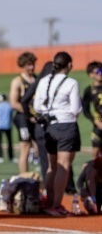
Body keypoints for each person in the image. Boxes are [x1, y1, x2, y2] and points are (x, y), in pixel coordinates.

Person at [33, 52, 82, 217]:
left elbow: (38, 106)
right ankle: (57, 204)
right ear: (68, 65)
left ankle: (49, 203)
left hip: (49, 127)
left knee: (52, 166)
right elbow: (76, 109)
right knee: (64, 166)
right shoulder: (71, 83)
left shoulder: (44, 81)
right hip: (66, 125)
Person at [10, 52, 38, 174]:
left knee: (40, 147)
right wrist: (29, 115)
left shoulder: (37, 79)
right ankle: (24, 177)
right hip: (23, 118)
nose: (31, 67)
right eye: (28, 65)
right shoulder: (18, 81)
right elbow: (14, 103)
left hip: (36, 118)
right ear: (22, 65)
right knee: (25, 147)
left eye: (32, 64)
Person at [81, 61, 102, 160]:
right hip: (99, 127)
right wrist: (95, 121)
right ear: (91, 74)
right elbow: (85, 110)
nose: (100, 73)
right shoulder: (89, 90)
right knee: (95, 158)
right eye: (97, 71)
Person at [0, 93, 13, 163]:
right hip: (7, 125)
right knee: (9, 142)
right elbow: (11, 115)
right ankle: (11, 156)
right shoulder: (9, 105)